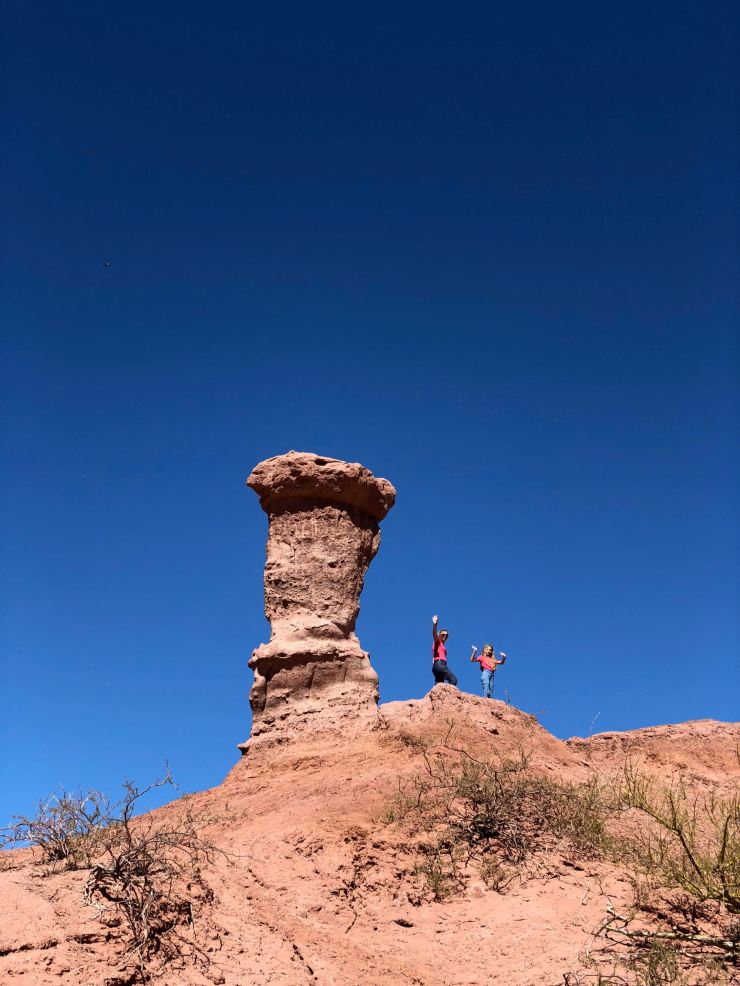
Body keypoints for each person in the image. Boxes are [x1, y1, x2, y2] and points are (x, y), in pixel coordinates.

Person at [431, 614, 458, 686]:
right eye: (443, 634)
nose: (445, 636)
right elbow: (434, 635)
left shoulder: (441, 645)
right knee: (453, 680)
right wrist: (435, 625)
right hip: (440, 664)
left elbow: (435, 654)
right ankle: (451, 696)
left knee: (439, 686)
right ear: (439, 635)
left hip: (436, 666)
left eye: (446, 635)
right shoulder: (438, 642)